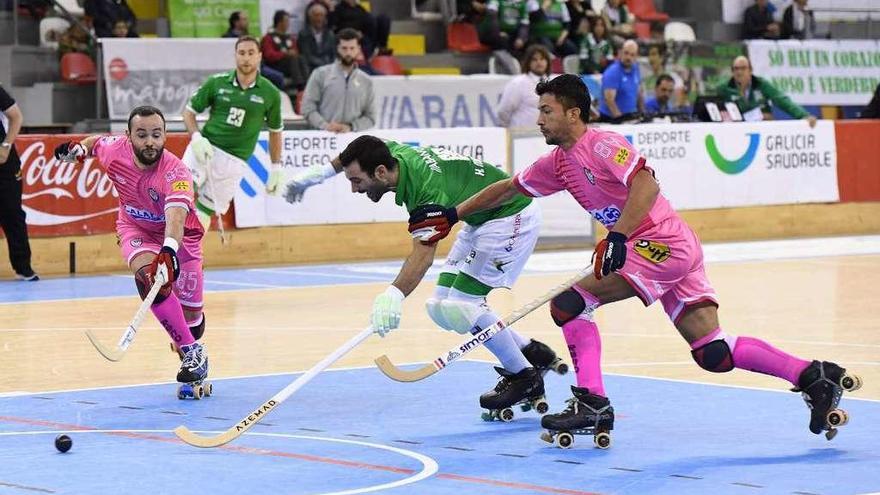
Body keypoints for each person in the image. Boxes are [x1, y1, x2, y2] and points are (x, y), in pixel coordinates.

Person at [409, 74, 862, 446]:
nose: (539, 118)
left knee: (570, 304)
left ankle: (592, 402)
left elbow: (646, 183)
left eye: (546, 110)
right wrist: (453, 214)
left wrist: (620, 236)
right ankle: (814, 377)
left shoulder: (603, 144)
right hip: (663, 250)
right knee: (713, 353)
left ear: (572, 112)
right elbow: (507, 188)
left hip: (662, 245)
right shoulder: (556, 163)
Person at [284, 136, 568, 418]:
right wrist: (321, 174)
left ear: (381, 172)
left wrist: (394, 294)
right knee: (441, 306)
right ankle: (530, 351)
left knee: (462, 306)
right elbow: (359, 147)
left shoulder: (425, 192)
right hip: (481, 219)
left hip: (510, 217)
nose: (354, 189)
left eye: (357, 181)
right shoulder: (390, 153)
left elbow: (423, 256)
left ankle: (524, 377)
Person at [52, 106, 210, 390]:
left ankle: (190, 338)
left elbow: (175, 217)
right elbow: (94, 144)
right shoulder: (115, 151)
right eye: (142, 135)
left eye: (156, 134)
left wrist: (169, 249)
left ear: (164, 136)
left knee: (193, 322)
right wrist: (78, 151)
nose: (150, 141)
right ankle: (192, 353)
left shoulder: (176, 172)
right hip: (135, 227)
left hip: (181, 237)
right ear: (128, 137)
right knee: (149, 277)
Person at [181, 36, 284, 231]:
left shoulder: (270, 93)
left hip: (235, 162)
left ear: (260, 56)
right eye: (242, 53)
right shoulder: (216, 83)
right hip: (205, 149)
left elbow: (275, 132)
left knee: (203, 215)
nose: (246, 58)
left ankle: (182, 258)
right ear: (235, 56)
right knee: (180, 193)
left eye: (251, 53)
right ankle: (157, 249)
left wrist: (276, 168)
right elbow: (188, 112)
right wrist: (196, 137)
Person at [301, 28, 375, 133]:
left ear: (358, 49)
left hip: (353, 140)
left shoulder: (366, 81)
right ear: (337, 48)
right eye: (344, 48)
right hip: (323, 139)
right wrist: (325, 125)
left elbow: (371, 117)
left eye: (352, 48)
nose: (348, 52)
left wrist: (350, 127)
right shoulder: (320, 74)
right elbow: (307, 108)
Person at [0, 85, 37, 281]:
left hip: (4, 162)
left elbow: (16, 117)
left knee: (12, 214)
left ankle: (24, 268)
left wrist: (5, 146)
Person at [716, 55, 816, 127]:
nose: (739, 72)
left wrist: (803, 115)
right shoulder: (724, 88)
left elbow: (781, 100)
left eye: (743, 68)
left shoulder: (761, 84)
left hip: (762, 129)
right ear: (732, 71)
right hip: (737, 130)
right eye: (736, 69)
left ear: (750, 70)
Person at [498, 44, 552, 128]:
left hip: (546, 136)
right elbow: (503, 111)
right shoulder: (518, 83)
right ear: (528, 62)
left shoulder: (553, 82)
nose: (539, 62)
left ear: (547, 62)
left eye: (542, 59)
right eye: (534, 59)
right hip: (521, 135)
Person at [261, 10, 311, 92]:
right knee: (293, 59)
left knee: (300, 58)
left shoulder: (290, 38)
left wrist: (292, 53)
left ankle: (307, 83)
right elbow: (268, 55)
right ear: (280, 22)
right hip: (275, 65)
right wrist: (284, 54)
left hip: (291, 66)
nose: (288, 24)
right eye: (286, 21)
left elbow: (295, 51)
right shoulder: (268, 38)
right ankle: (300, 86)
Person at [598, 39, 643, 122]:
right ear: (621, 52)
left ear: (636, 56)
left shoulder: (636, 68)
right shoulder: (612, 72)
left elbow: (639, 92)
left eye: (632, 55)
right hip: (612, 119)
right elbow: (609, 101)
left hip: (630, 117)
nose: (628, 57)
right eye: (626, 53)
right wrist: (621, 121)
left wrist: (642, 113)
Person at [298, 2, 338, 73]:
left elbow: (334, 54)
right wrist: (323, 65)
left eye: (321, 15)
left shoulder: (330, 34)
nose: (319, 19)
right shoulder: (303, 34)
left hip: (329, 67)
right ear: (310, 17)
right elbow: (307, 56)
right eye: (316, 15)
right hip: (312, 67)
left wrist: (331, 65)